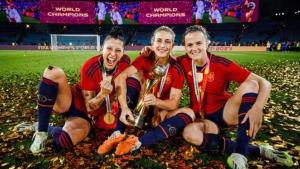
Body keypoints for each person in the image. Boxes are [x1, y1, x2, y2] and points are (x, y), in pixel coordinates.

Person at [177, 25, 293, 168]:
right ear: (185, 47)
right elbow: (162, 60)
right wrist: (148, 51)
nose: (194, 48)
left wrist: (257, 107)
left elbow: (265, 83)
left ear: (207, 42)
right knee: (189, 134)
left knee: (251, 84)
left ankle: (240, 154)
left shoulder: (222, 64)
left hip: (225, 113)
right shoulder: (182, 61)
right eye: (190, 44)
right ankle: (260, 150)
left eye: (199, 43)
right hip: (201, 117)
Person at [17, 27, 130, 154]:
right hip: (72, 102)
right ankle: (41, 131)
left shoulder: (125, 62)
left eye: (118, 50)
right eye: (109, 48)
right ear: (101, 49)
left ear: (123, 52)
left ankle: (49, 129)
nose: (113, 54)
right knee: (52, 71)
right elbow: (90, 107)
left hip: (84, 116)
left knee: (65, 141)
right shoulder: (90, 67)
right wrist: (103, 94)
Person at [97, 26, 195, 156]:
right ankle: (118, 132)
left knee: (189, 113)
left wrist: (156, 101)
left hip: (160, 115)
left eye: (167, 41)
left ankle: (138, 142)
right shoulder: (145, 59)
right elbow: (121, 77)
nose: (162, 45)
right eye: (159, 41)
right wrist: (125, 108)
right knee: (132, 77)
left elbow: (174, 104)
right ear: (152, 43)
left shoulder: (177, 69)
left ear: (172, 45)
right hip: (139, 111)